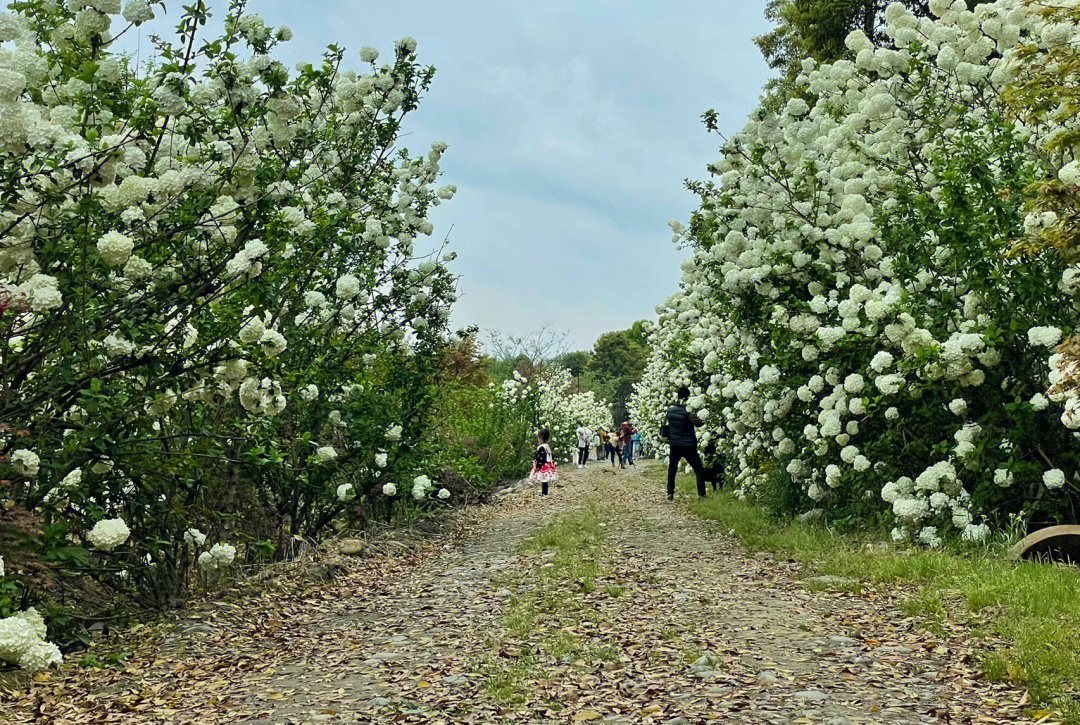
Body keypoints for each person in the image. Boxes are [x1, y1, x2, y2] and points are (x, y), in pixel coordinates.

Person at [664, 386, 707, 500]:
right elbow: (698, 424)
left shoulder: (670, 410)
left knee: (672, 468)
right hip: (688, 444)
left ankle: (670, 492)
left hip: (674, 444)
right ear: (687, 396)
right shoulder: (688, 411)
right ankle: (701, 494)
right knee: (698, 469)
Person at [530, 428, 557, 495]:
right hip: (548, 464)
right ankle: (545, 492)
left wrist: (538, 466)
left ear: (541, 438)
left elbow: (541, 457)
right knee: (545, 479)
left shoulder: (541, 447)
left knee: (543, 478)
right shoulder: (547, 446)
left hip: (543, 465)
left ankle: (544, 492)